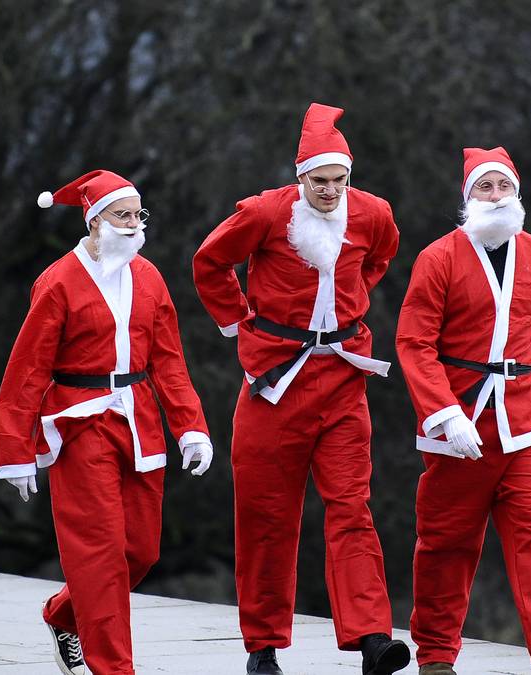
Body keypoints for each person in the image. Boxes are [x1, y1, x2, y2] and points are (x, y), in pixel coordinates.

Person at [192, 103, 408, 675]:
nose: (332, 191)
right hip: (274, 381)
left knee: (351, 505)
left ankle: (371, 638)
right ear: (300, 176)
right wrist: (237, 322)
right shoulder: (265, 214)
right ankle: (263, 647)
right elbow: (210, 262)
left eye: (340, 180)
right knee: (266, 514)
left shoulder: (373, 214)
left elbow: (381, 258)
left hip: (342, 376)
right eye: (320, 181)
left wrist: (347, 309)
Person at [395, 147, 531, 675]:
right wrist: (442, 413)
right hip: (461, 421)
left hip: (529, 419)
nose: (495, 197)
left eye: (503, 187)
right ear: (468, 197)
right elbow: (414, 342)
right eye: (484, 189)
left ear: (517, 194)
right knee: (447, 542)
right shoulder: (438, 257)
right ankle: (438, 657)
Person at [0, 170, 214, 675]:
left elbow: (170, 361)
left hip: (138, 421)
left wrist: (191, 427)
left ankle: (64, 614)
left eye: (139, 215)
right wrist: (15, 450)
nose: (135, 225)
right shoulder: (57, 282)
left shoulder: (150, 278)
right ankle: (114, 668)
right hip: (77, 424)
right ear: (95, 222)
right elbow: (26, 371)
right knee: (100, 554)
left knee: (140, 549)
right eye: (123, 215)